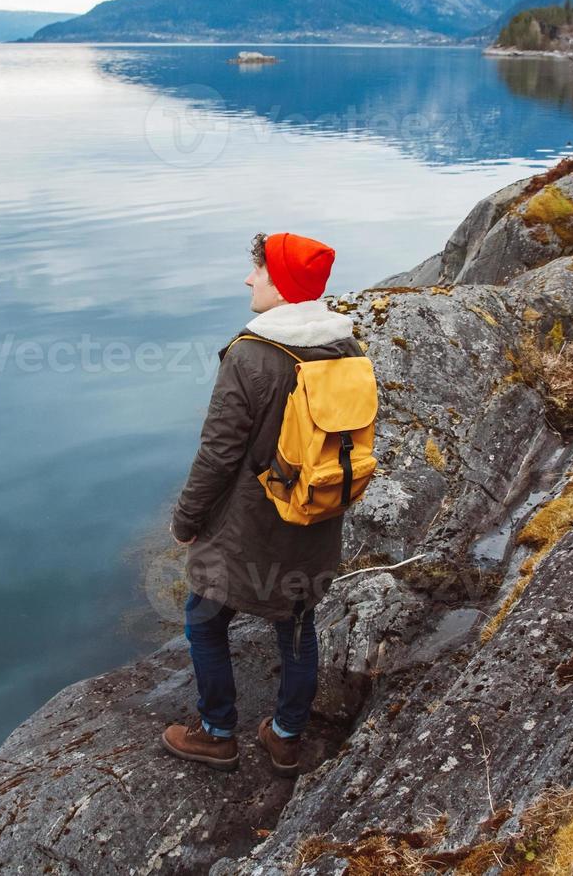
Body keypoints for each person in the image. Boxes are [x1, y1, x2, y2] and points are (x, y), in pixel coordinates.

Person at [162, 231, 364, 776]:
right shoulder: (347, 345)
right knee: (297, 623)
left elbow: (217, 456)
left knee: (203, 619)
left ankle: (217, 732)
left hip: (248, 524)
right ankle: (285, 737)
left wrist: (186, 522)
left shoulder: (251, 354)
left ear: (283, 285)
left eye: (259, 272)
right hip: (314, 516)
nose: (249, 280)